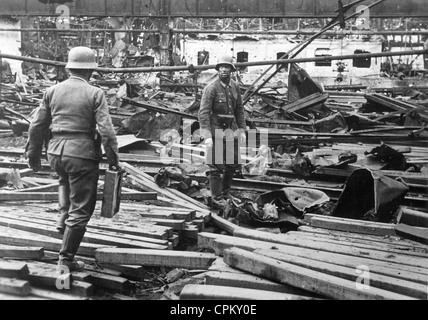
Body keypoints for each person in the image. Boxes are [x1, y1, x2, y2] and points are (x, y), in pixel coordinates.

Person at [26, 46, 120, 272]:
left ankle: (61, 218)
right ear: (90, 71)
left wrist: (33, 154)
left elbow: (36, 125)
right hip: (81, 155)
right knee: (81, 209)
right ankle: (66, 259)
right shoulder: (95, 93)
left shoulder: (52, 91)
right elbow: (106, 130)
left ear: (69, 68)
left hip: (56, 153)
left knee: (64, 179)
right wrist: (113, 158)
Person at [198, 55, 246, 210]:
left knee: (231, 164)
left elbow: (239, 109)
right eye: (221, 67)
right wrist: (207, 136)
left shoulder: (235, 86)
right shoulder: (211, 88)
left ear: (232, 70)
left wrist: (242, 130)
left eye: (227, 67)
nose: (224, 70)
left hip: (231, 129)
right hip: (216, 129)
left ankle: (225, 193)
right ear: (218, 69)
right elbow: (203, 113)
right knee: (216, 167)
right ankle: (216, 197)